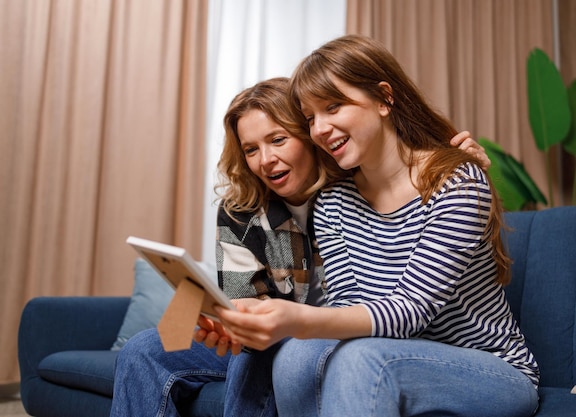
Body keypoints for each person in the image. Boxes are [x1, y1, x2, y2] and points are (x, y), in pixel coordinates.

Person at [110, 76, 490, 416]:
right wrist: (211, 318)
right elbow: (243, 298)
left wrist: (460, 162)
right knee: (144, 347)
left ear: (310, 135)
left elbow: (427, 209)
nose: (266, 160)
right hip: (270, 332)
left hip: (332, 336)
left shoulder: (358, 188)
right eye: (251, 149)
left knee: (266, 352)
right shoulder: (241, 209)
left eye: (278, 140)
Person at [212, 35, 540, 417]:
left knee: (360, 359)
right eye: (310, 118)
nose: (320, 128)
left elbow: (411, 310)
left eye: (333, 106)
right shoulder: (334, 200)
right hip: (389, 353)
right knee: (296, 355)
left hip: (488, 368)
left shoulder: (457, 182)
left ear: (384, 99)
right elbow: (350, 307)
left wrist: (299, 320)